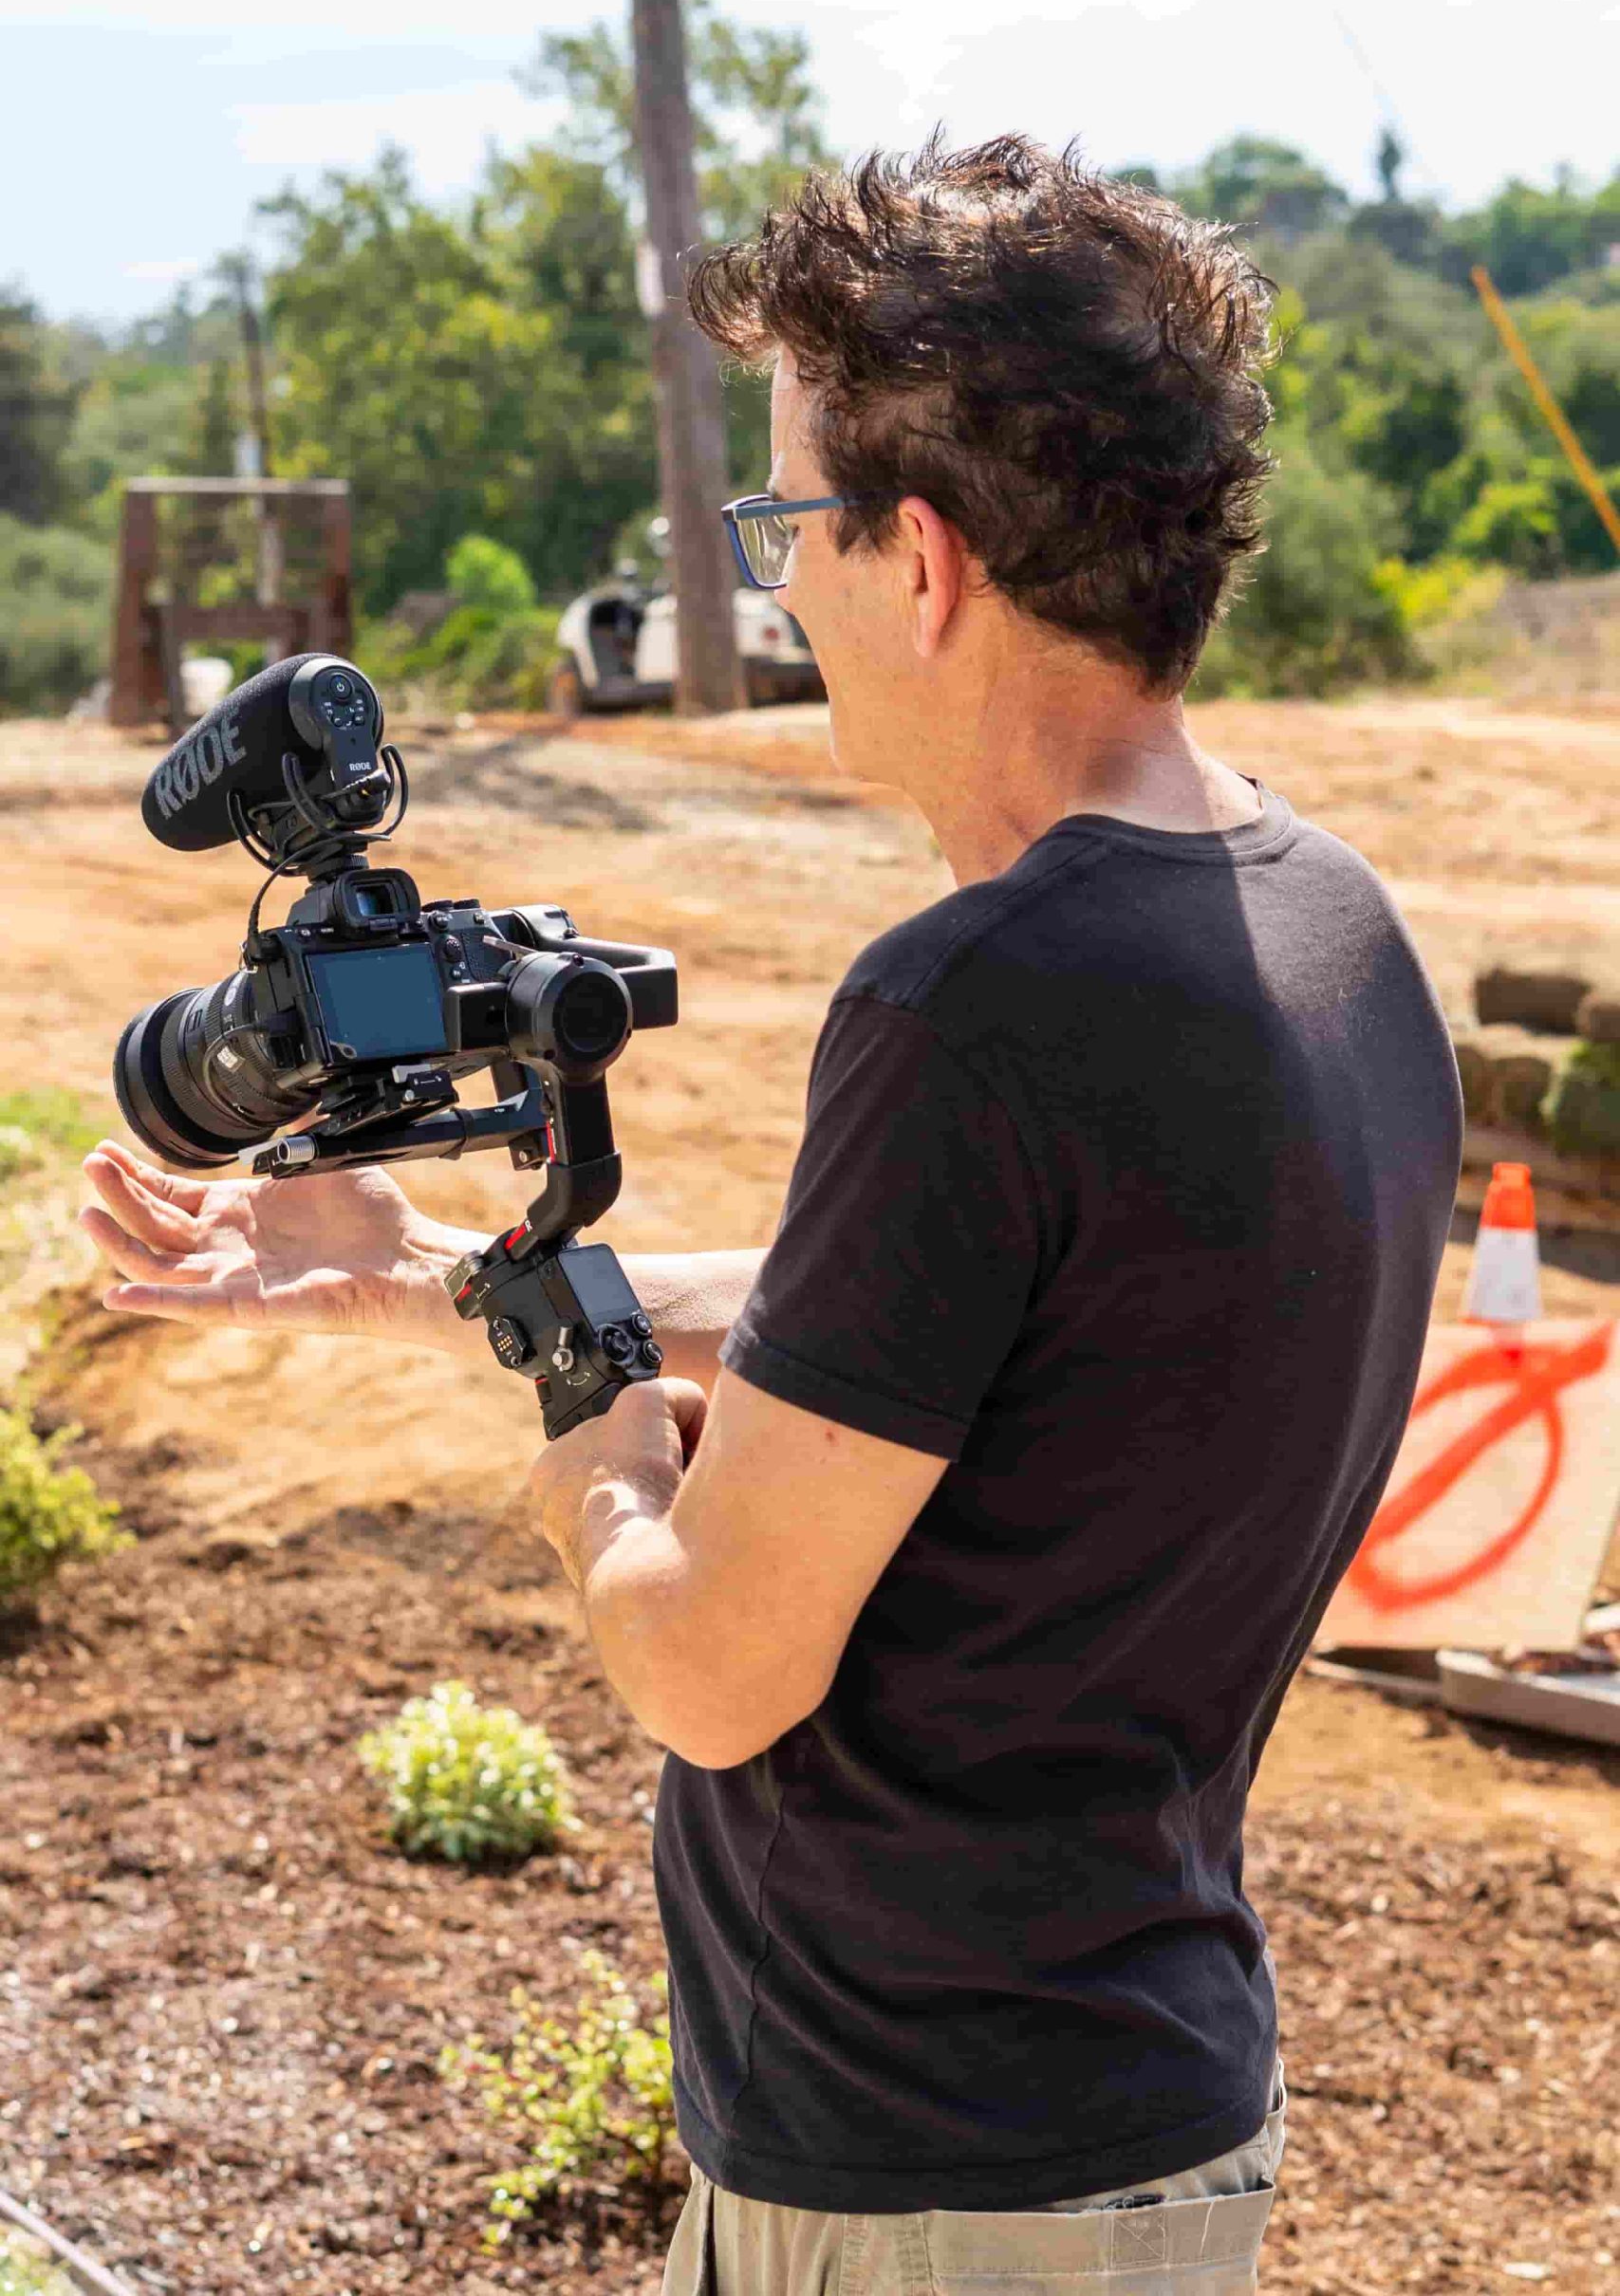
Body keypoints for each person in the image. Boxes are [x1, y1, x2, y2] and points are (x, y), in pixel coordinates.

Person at [81, 137, 1462, 2296]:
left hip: (932, 2181)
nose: (779, 588)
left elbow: (710, 1666)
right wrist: (442, 1277)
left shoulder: (974, 1003)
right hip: (1124, 2109)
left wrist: (595, 1447)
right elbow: (963, 1328)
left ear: (920, 560)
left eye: (782, 522)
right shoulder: (1324, 924)